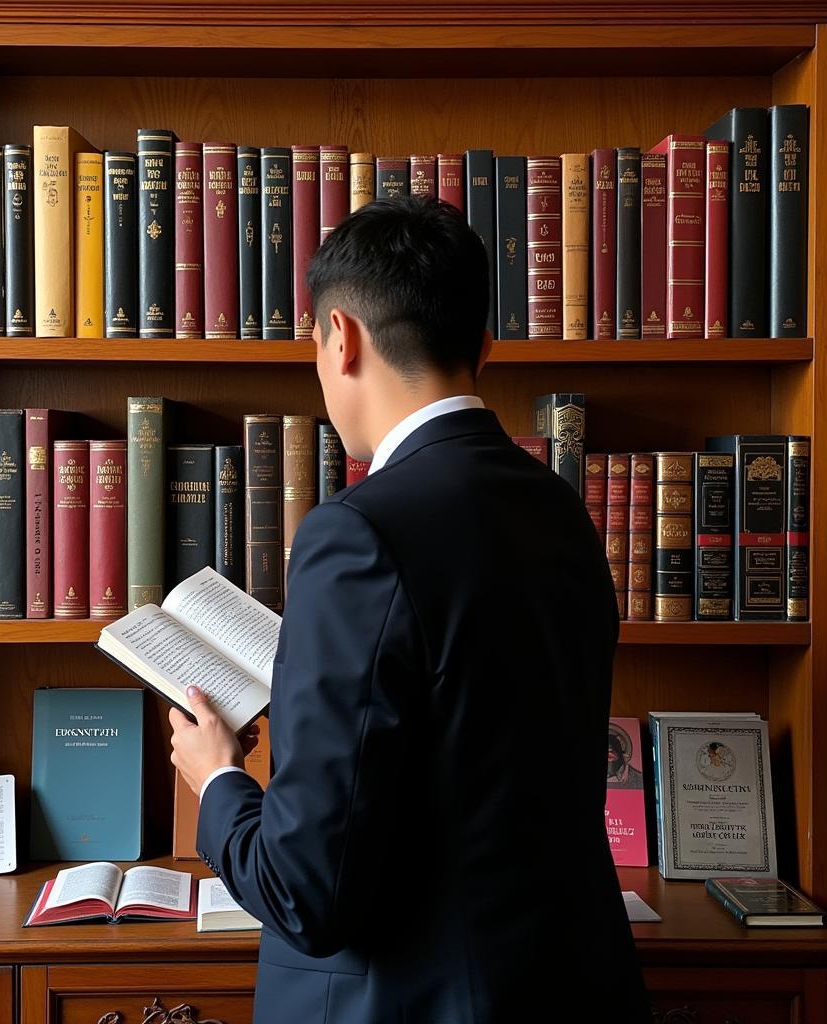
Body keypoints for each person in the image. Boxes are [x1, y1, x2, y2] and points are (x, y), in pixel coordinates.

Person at [168, 196, 651, 1022]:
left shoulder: (356, 534)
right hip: (570, 987)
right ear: (485, 347)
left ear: (342, 337)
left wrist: (217, 778)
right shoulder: (561, 509)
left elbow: (306, 895)